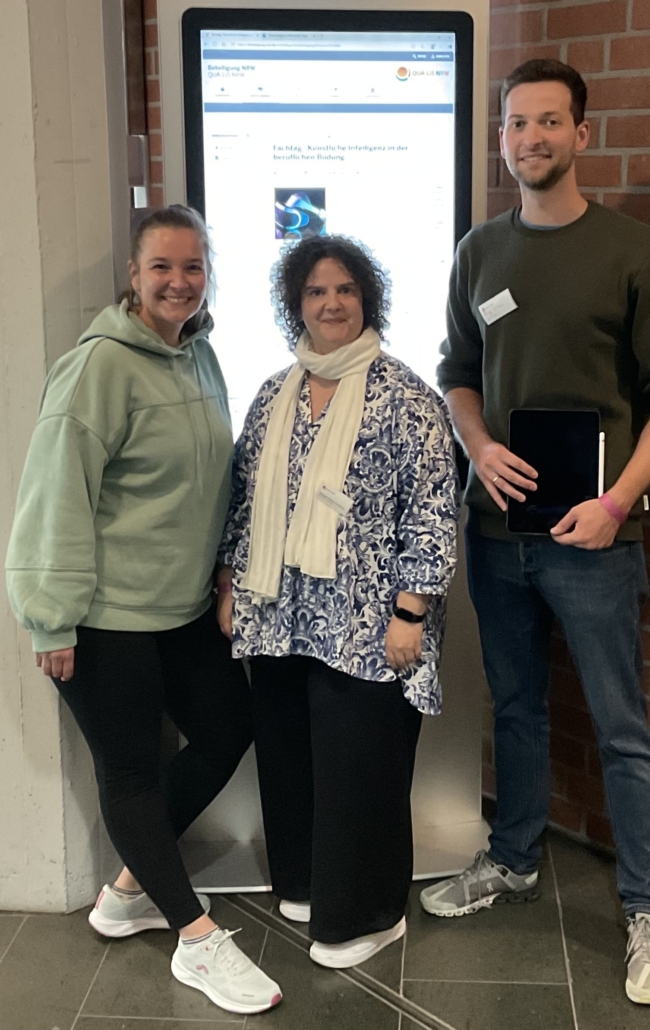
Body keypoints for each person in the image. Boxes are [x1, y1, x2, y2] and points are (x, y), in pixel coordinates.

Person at [419, 59, 650, 1007]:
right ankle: (512, 859)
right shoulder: (478, 252)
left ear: (581, 134)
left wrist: (615, 502)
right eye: (516, 123)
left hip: (595, 540)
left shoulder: (635, 253)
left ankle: (645, 910)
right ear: (500, 138)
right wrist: (477, 446)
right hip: (496, 533)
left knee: (621, 728)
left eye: (548, 121)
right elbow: (457, 371)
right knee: (515, 709)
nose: (530, 138)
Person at [6, 205, 282, 1016]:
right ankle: (195, 938)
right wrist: (50, 617)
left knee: (229, 726)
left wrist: (224, 576)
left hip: (183, 611)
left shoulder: (200, 355)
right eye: (162, 266)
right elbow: (53, 495)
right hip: (104, 620)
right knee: (127, 774)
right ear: (133, 275)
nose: (178, 281)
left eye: (193, 266)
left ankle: (130, 890)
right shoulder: (97, 366)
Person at [216, 235, 459, 969]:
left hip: (369, 625)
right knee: (289, 757)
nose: (331, 303)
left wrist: (411, 612)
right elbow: (243, 499)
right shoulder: (273, 394)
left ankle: (369, 915)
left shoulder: (406, 397)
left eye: (345, 289)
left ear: (367, 300)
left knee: (361, 771)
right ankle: (302, 880)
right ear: (296, 304)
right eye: (316, 291)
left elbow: (432, 512)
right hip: (279, 617)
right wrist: (229, 582)